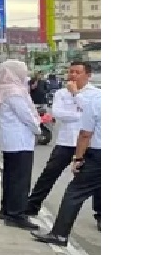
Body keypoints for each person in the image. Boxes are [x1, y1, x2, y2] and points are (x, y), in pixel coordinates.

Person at [25, 62, 101, 217]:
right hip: (66, 141)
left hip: (88, 144)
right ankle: (32, 206)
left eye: (77, 72)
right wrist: (81, 114)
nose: (72, 75)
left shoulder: (96, 94)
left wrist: (76, 95)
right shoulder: (61, 93)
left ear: (88, 75)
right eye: (71, 71)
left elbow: (91, 111)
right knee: (49, 174)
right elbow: (58, 113)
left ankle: (100, 215)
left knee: (97, 181)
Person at [31, 84, 102, 245]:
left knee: (75, 192)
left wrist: (78, 158)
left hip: (97, 152)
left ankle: (60, 234)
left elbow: (85, 134)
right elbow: (58, 113)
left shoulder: (96, 99)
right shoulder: (63, 93)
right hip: (71, 143)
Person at [0, 60, 41, 230]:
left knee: (10, 177)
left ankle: (7, 209)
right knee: (20, 179)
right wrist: (38, 128)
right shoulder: (14, 91)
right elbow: (26, 115)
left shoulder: (2, 89)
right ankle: (16, 214)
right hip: (19, 140)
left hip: (10, 140)